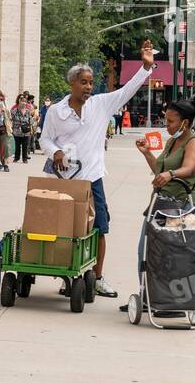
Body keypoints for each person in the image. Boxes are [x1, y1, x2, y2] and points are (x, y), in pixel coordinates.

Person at [40, 39, 157, 299]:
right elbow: (44, 139)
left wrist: (146, 67)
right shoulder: (56, 112)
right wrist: (54, 152)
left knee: (99, 228)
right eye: (84, 82)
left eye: (91, 83)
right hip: (65, 181)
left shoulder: (101, 104)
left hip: (92, 179)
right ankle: (67, 276)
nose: (89, 87)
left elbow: (127, 90)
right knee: (66, 230)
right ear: (72, 83)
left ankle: (98, 278)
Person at [125, 95, 195, 309]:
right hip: (161, 205)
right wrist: (147, 153)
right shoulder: (172, 142)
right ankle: (149, 296)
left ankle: (175, 300)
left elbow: (189, 168)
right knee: (145, 252)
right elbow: (158, 171)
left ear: (185, 123)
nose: (167, 125)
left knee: (175, 257)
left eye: (171, 121)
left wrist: (171, 174)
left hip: (184, 205)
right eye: (166, 120)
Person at [12, 93, 34, 164]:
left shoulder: (28, 111)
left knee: (25, 146)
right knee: (17, 145)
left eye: (25, 101)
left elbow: (31, 120)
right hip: (17, 130)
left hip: (26, 131)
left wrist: (30, 123)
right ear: (19, 102)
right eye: (22, 101)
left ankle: (25, 158)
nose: (23, 103)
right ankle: (16, 157)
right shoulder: (14, 111)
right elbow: (12, 119)